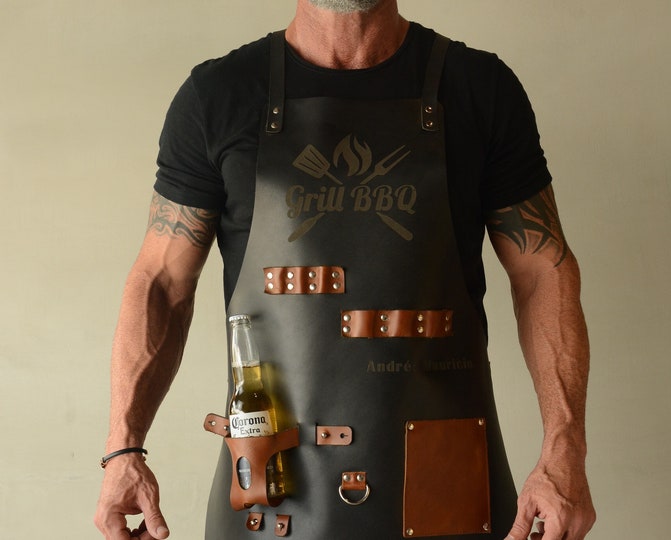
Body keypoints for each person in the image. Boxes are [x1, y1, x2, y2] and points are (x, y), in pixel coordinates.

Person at [94, 1, 596, 539]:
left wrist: (564, 451)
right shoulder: (218, 95)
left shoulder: (480, 88)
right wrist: (123, 449)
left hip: (447, 491)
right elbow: (162, 283)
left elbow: (543, 270)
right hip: (271, 492)